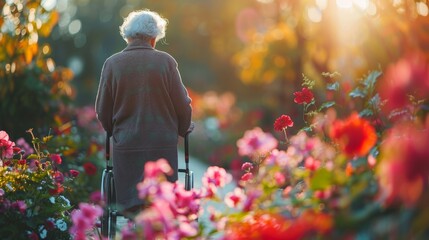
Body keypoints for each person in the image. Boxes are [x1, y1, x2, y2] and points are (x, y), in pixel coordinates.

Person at [95, 9, 193, 215]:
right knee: (160, 204)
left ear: (128, 36)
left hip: (127, 146)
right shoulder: (166, 62)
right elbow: (182, 105)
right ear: (154, 38)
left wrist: (116, 130)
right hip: (162, 146)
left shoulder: (112, 64)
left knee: (131, 204)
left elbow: (103, 111)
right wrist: (183, 129)